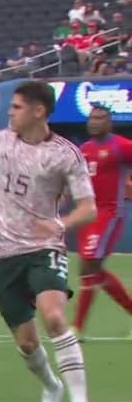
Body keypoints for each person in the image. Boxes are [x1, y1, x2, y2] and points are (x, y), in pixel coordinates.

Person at [0, 80, 95, 402]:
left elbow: (88, 208)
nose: (10, 112)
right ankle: (51, 388)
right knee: (26, 342)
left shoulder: (65, 154)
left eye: (17, 107)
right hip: (0, 252)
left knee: (53, 316)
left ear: (38, 111)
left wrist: (60, 225)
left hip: (43, 249)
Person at [74, 105, 132, 337]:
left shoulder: (120, 146)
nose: (94, 122)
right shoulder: (84, 149)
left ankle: (77, 327)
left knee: (90, 265)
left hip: (109, 213)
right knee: (89, 269)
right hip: (87, 214)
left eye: (100, 118)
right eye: (92, 118)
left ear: (109, 123)